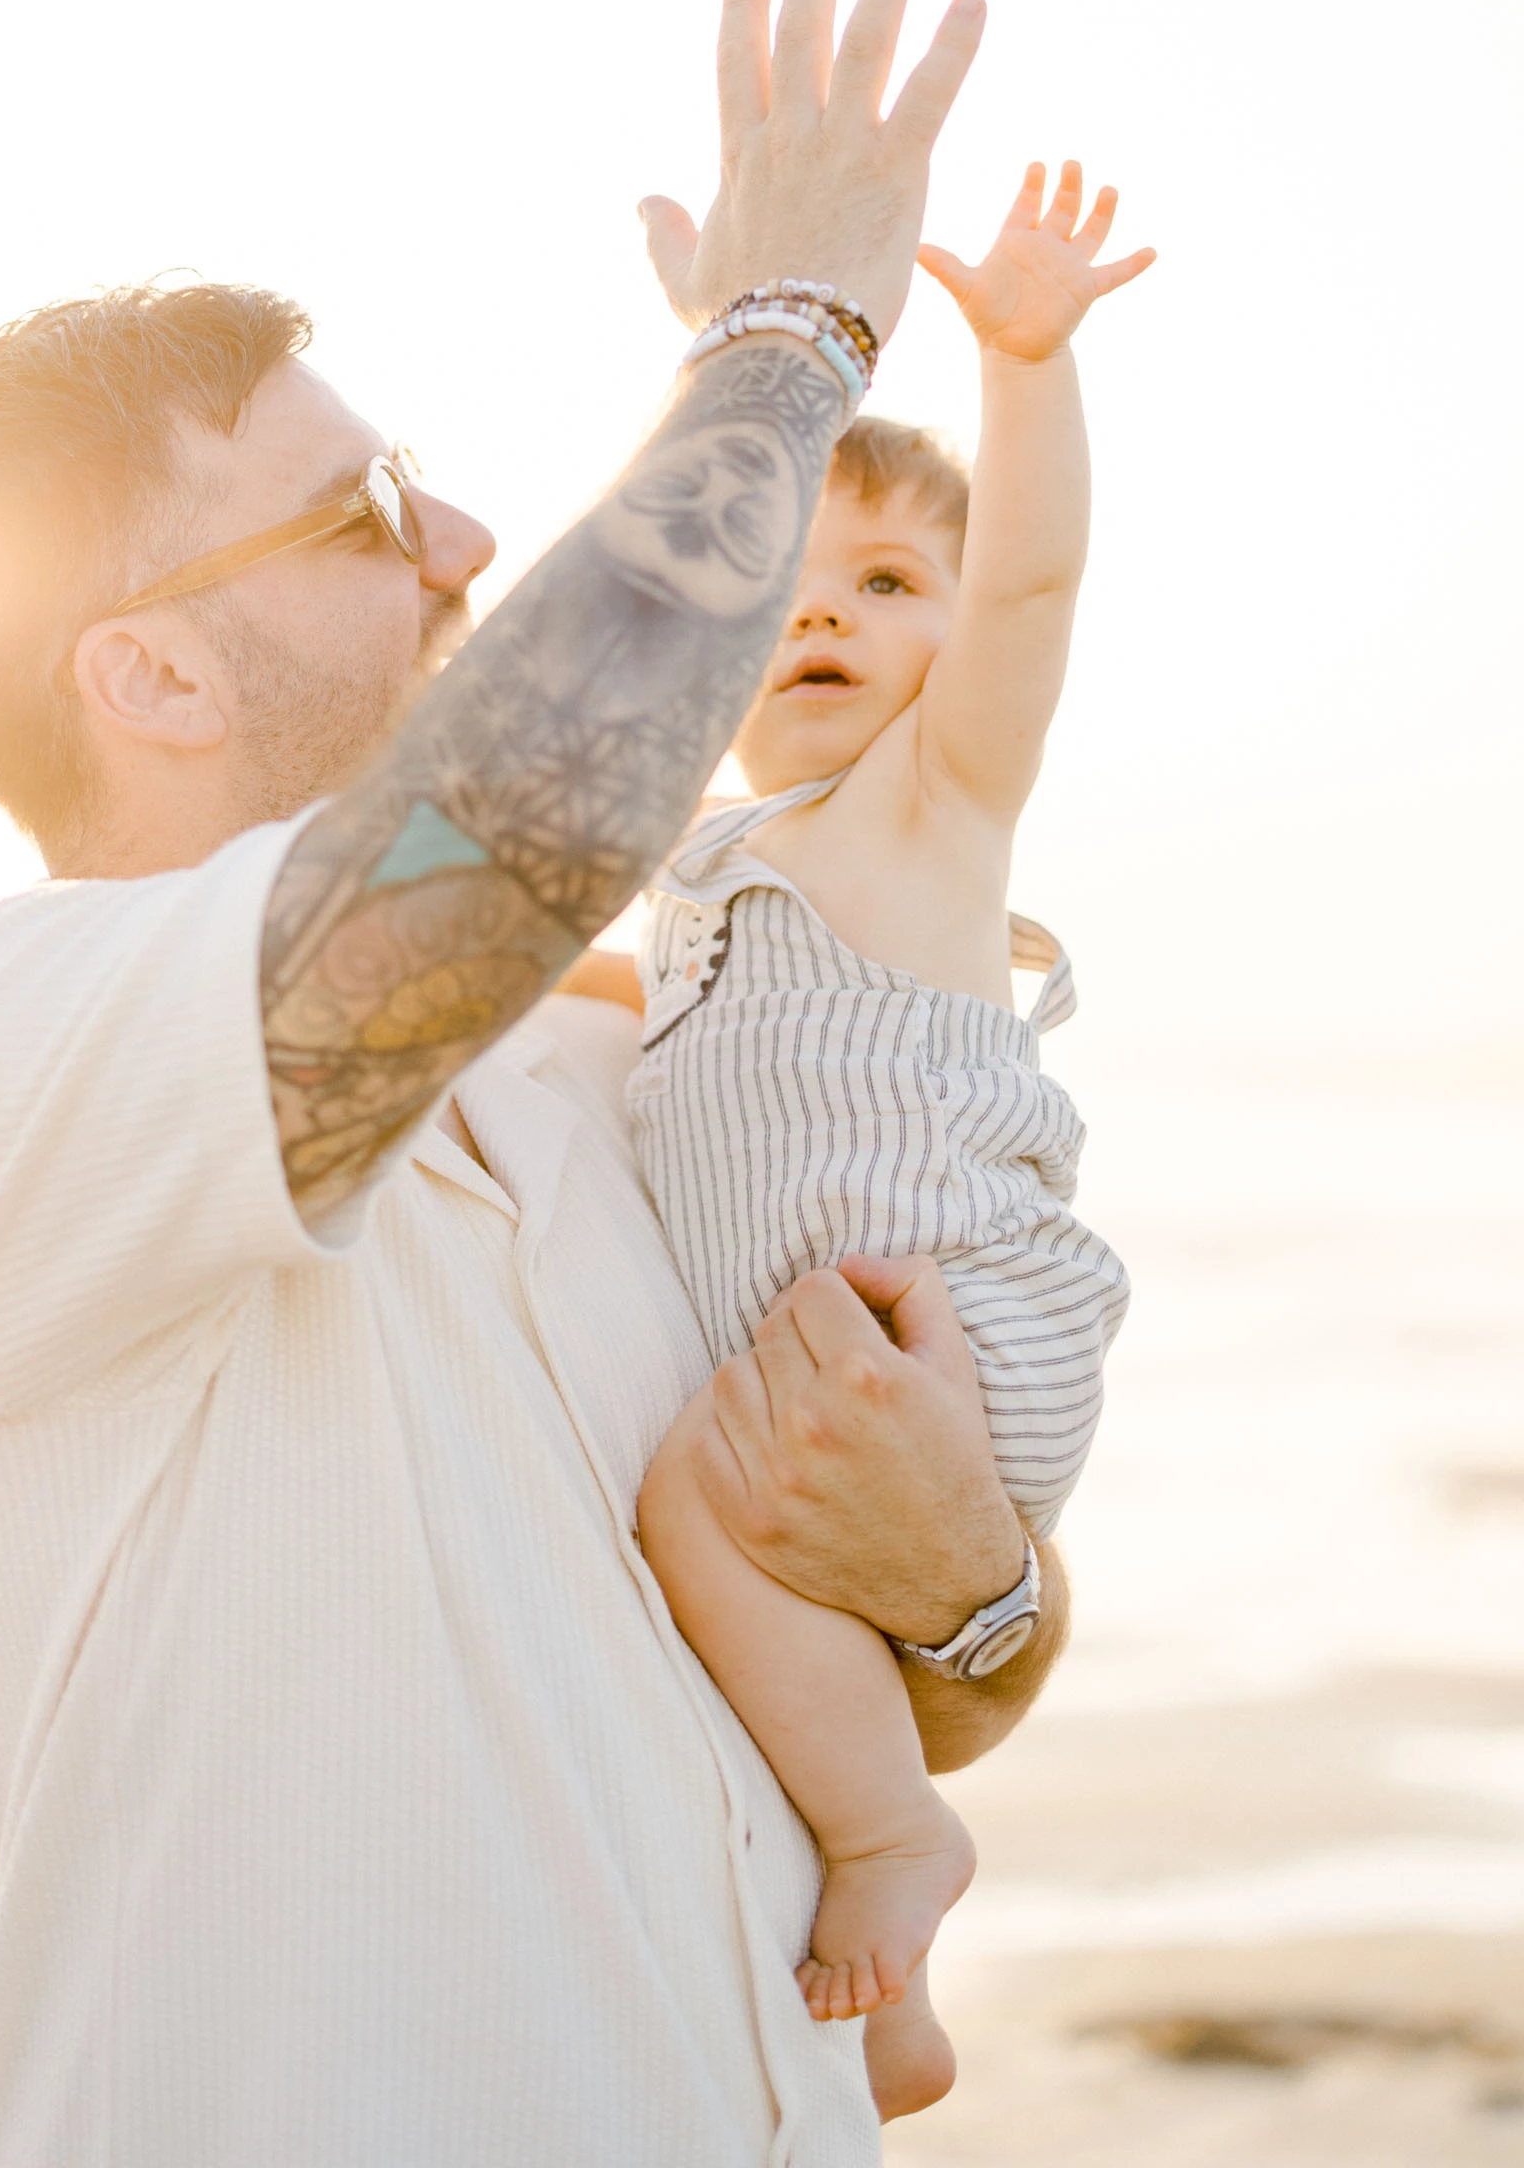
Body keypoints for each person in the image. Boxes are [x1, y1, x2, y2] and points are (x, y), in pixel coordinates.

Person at [0, 0, 1070, 2167]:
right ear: (148, 673)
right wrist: (792, 332)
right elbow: (522, 819)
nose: (468, 536)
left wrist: (969, 1578)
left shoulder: (617, 1077)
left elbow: (936, 1679)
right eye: (370, 512)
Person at [623, 162, 1151, 2120]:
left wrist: (1027, 365)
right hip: (851, 1367)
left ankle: (896, 1837)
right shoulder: (700, 877)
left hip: (958, 1338)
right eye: (783, 591)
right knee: (740, 1591)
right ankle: (894, 2007)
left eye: (885, 587)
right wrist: (718, 387)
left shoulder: (926, 806)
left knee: (696, 1512)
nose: (823, 614)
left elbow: (1033, 588)